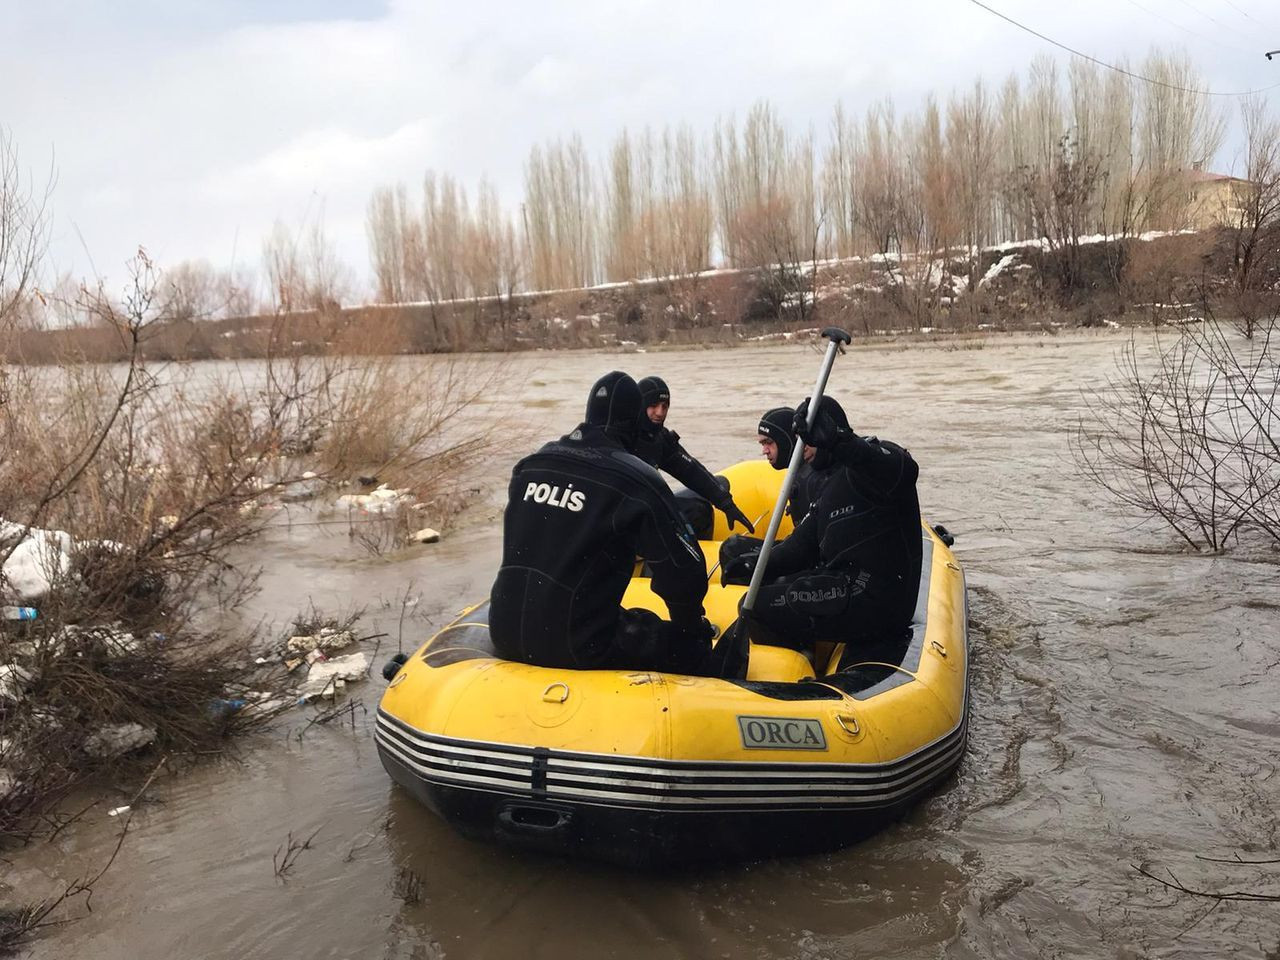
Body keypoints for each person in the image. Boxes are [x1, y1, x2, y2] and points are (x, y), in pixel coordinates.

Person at [489, 371, 715, 674]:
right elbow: (682, 573)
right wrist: (690, 626)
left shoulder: (529, 467)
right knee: (689, 645)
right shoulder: (636, 480)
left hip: (501, 629)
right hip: (578, 644)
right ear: (636, 421)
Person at [721, 396, 922, 665]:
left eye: (810, 437)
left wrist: (841, 441)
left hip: (876, 599)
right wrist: (755, 566)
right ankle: (805, 655)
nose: (803, 446)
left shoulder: (870, 469)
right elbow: (800, 547)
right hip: (845, 584)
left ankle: (802, 667)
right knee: (756, 595)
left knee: (757, 607)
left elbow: (904, 469)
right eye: (801, 438)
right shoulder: (828, 485)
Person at [633, 376, 755, 535]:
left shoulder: (659, 439)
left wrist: (726, 504)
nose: (660, 413)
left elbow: (690, 470)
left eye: (664, 406)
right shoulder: (622, 437)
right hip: (625, 515)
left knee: (701, 507)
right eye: (653, 406)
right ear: (640, 406)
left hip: (651, 506)